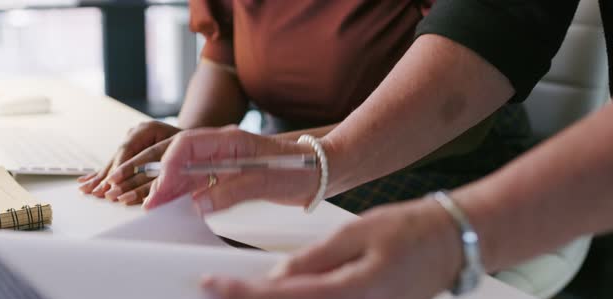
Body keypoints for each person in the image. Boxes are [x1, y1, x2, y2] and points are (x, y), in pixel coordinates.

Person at [142, 1, 613, 299]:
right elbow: (488, 21)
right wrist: (315, 159)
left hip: (445, 160)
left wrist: (451, 236)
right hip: (329, 154)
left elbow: (490, 26)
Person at [79, 0, 531, 215]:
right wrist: (189, 137)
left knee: (248, 232)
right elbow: (226, 58)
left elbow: (461, 115)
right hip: (291, 148)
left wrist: (270, 157)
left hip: (435, 156)